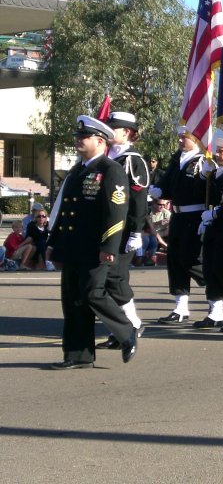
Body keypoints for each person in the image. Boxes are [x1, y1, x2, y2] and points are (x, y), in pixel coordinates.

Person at [46, 115, 137, 369]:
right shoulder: (77, 171)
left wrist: (109, 247)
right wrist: (53, 243)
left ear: (99, 140)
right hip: (72, 247)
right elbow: (65, 211)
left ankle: (126, 330)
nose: (78, 140)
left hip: (94, 248)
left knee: (93, 293)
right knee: (73, 301)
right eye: (78, 136)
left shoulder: (111, 170)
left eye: (83, 137)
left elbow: (116, 212)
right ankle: (78, 355)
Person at [95, 111, 149, 350]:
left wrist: (137, 230)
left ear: (126, 132)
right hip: (104, 227)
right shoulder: (106, 158)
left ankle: (131, 324)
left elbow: (138, 199)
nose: (108, 131)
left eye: (113, 128)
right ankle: (121, 328)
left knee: (114, 276)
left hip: (124, 228)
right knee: (107, 278)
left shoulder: (132, 160)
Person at [150, 126, 206, 323]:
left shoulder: (204, 160)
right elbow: (168, 183)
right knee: (175, 261)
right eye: (180, 137)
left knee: (193, 261)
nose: (181, 141)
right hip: (178, 216)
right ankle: (180, 308)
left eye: (185, 137)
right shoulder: (177, 159)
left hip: (197, 216)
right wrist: (159, 191)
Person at [193, 137, 223, 330]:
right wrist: (202, 177)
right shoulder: (213, 172)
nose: (217, 154)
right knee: (209, 268)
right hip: (212, 225)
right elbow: (201, 195)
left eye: (222, 151)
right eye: (217, 151)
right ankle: (215, 313)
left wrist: (218, 212)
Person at [141, 200, 171, 265]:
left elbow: (170, 229)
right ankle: (141, 258)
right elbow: (147, 228)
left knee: (153, 238)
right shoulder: (148, 212)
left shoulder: (166, 213)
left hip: (160, 234)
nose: (162, 206)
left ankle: (151, 259)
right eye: (160, 204)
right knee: (148, 239)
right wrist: (159, 223)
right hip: (147, 233)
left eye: (164, 205)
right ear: (153, 204)